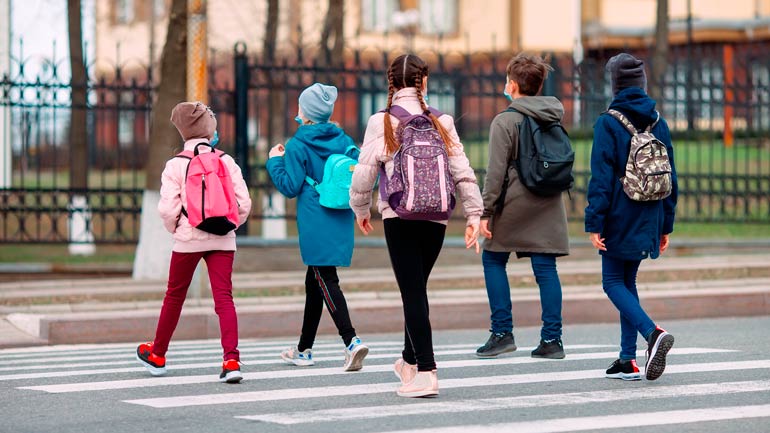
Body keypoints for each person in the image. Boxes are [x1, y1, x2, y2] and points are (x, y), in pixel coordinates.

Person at [349, 54, 483, 398]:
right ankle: (409, 361)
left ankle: (426, 370)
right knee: (417, 289)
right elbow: (461, 169)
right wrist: (473, 214)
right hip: (437, 216)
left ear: (390, 83)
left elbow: (364, 172)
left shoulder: (381, 121)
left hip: (400, 214)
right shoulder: (443, 121)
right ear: (424, 82)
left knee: (412, 292)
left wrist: (360, 208)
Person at [136, 101, 252, 383]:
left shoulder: (175, 165)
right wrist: (230, 226)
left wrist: (177, 227)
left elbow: (167, 209)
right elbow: (244, 202)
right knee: (224, 298)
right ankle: (231, 360)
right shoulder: (226, 160)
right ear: (209, 129)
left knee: (174, 296)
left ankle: (158, 354)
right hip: (223, 238)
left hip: (188, 238)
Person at [585, 53, 678, 381]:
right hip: (650, 213)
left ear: (615, 85)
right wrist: (666, 224)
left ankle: (652, 334)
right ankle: (627, 360)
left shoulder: (608, 122)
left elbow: (601, 179)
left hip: (619, 216)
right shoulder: (658, 121)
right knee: (628, 281)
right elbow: (671, 177)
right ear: (641, 83)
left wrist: (594, 221)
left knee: (611, 282)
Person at [267, 83, 369, 372]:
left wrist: (275, 161)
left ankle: (351, 341)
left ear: (306, 113)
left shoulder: (298, 145)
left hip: (315, 218)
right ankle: (303, 349)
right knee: (315, 282)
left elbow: (289, 186)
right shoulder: (343, 138)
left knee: (325, 278)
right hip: (339, 214)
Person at [476, 53, 569, 360]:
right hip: (550, 203)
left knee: (493, 259)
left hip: (516, 202)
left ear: (512, 85)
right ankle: (552, 339)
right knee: (545, 268)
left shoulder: (505, 121)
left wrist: (485, 212)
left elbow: (496, 173)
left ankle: (502, 333)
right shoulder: (553, 115)